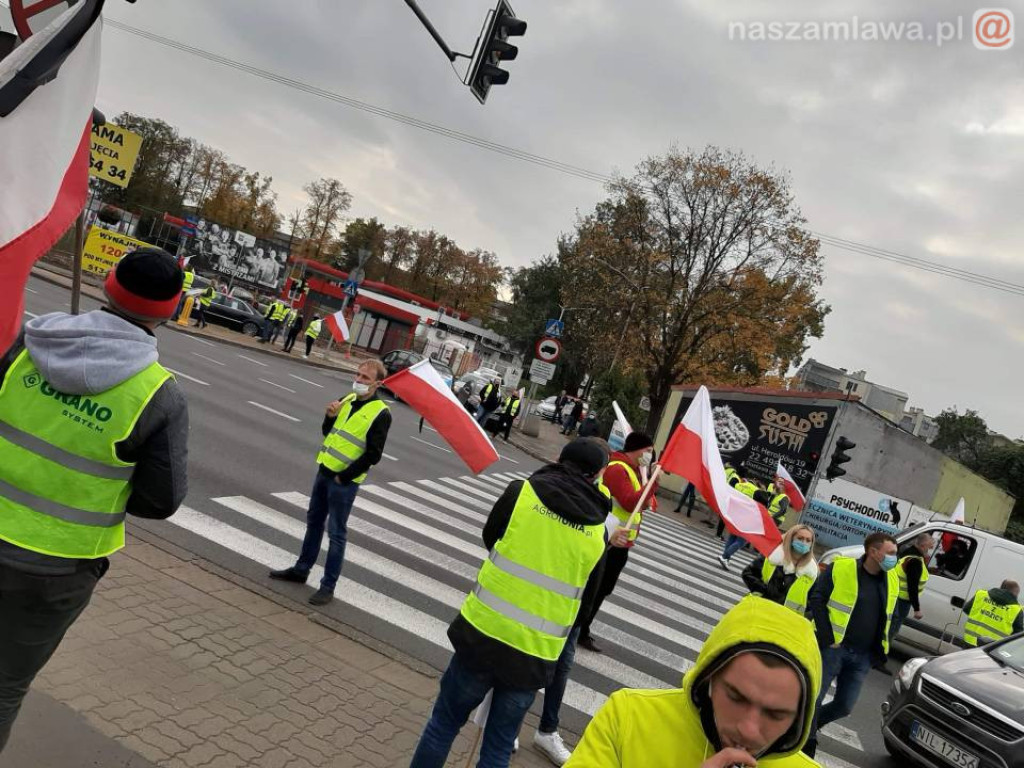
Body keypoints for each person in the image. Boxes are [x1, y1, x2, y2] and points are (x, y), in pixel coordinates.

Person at [0, 248, 190, 753]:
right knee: (3, 688)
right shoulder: (158, 395)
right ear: (171, 310)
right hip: (54, 570)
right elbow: (159, 502)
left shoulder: (27, 342)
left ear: (108, 284)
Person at [409, 439, 610, 768]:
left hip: (482, 637)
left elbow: (492, 537)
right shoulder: (597, 531)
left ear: (560, 460)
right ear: (594, 477)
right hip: (532, 656)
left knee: (443, 726)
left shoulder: (522, 493)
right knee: (498, 749)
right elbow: (586, 606)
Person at [565, 595, 822, 768]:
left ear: (799, 717)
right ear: (709, 678)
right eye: (735, 697)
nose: (749, 729)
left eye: (776, 714)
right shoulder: (628, 718)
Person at [269, 360, 391, 606]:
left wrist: (343, 476)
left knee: (336, 534)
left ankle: (328, 586)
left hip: (343, 483)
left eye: (365, 377)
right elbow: (330, 433)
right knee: (313, 522)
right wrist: (329, 417)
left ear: (378, 383)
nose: (359, 380)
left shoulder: (381, 413)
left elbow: (373, 455)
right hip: (324, 472)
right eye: (357, 374)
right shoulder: (347, 399)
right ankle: (301, 570)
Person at [803, 531, 898, 758]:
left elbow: (888, 616)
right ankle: (808, 740)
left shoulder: (891, 579)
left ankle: (807, 726)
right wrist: (827, 638)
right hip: (833, 649)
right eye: (891, 553)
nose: (895, 558)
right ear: (873, 552)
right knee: (815, 696)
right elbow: (817, 598)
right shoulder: (842, 567)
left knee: (844, 706)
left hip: (862, 657)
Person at [577, 432, 656, 653]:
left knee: (604, 588)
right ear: (637, 449)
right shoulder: (617, 468)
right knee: (597, 586)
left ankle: (583, 626)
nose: (650, 455)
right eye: (648, 451)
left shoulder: (634, 470)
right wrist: (653, 484)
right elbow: (631, 503)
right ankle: (579, 628)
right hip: (609, 540)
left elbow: (641, 503)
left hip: (621, 541)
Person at [741, 525, 818, 614]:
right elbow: (748, 573)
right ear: (791, 538)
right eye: (800, 538)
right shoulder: (772, 557)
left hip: (785, 620)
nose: (804, 542)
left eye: (808, 540)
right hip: (758, 610)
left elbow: (813, 599)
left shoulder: (811, 572)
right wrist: (763, 590)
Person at [889, 532, 935, 643]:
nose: (929, 551)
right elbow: (912, 586)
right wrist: (917, 609)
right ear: (923, 546)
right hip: (902, 602)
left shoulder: (908, 553)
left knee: (888, 626)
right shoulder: (915, 561)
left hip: (895, 596)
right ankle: (880, 653)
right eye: (929, 548)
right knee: (892, 630)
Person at [718, 478, 773, 570]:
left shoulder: (741, 486)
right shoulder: (759, 493)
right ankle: (724, 556)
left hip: (738, 515)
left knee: (733, 537)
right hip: (749, 519)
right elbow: (763, 509)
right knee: (741, 541)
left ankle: (726, 559)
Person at [963, 579, 1023, 646]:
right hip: (992, 648)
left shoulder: (981, 595)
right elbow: (1017, 634)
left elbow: (966, 609)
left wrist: (982, 616)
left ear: (1001, 587)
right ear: (1015, 594)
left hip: (971, 640)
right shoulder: (1016, 610)